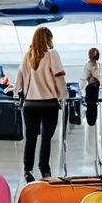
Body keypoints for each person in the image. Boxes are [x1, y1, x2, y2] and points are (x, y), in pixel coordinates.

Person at [16, 27, 68, 182]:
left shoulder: (27, 56)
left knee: (30, 138)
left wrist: (21, 94)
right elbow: (59, 79)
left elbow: (19, 81)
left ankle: (27, 170)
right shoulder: (52, 54)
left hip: (30, 104)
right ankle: (44, 169)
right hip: (49, 104)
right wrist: (64, 96)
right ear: (48, 39)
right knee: (46, 138)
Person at [81, 48, 102, 127]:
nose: (90, 54)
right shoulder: (89, 65)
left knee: (92, 106)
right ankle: (91, 120)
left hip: (93, 88)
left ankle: (91, 120)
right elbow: (86, 77)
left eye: (92, 53)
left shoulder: (98, 65)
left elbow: (96, 77)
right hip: (91, 88)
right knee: (91, 106)